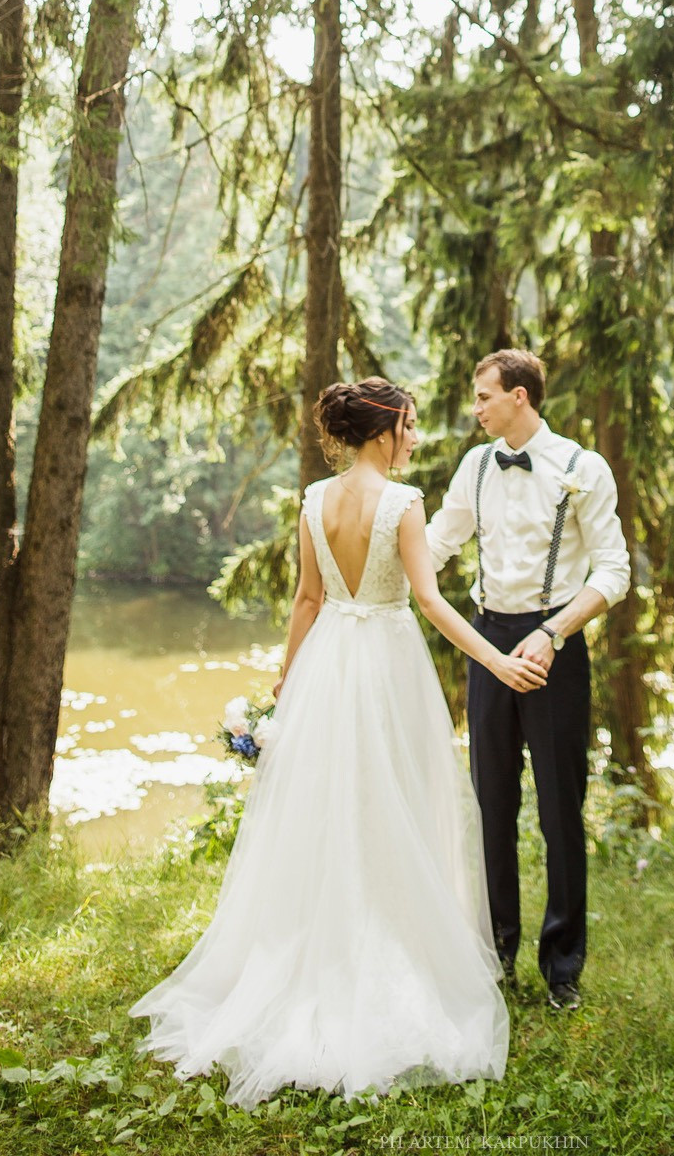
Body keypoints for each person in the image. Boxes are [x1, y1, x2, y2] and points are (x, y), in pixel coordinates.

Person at [128, 378, 547, 1105]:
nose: (414, 437)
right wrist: (497, 662)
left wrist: (287, 684)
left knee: (325, 811)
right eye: (409, 426)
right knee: (395, 806)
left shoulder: (315, 500)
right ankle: (383, 955)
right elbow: (429, 601)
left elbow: (307, 600)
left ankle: (319, 949)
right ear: (383, 432)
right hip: (386, 665)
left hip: (328, 663)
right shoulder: (404, 504)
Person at [425, 349, 631, 1012]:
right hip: (487, 642)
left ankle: (562, 966)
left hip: (554, 647)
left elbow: (614, 571)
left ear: (520, 396)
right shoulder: (475, 466)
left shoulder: (582, 467)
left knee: (560, 808)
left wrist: (553, 632)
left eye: (484, 396)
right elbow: (436, 542)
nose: (476, 409)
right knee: (492, 803)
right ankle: (495, 954)